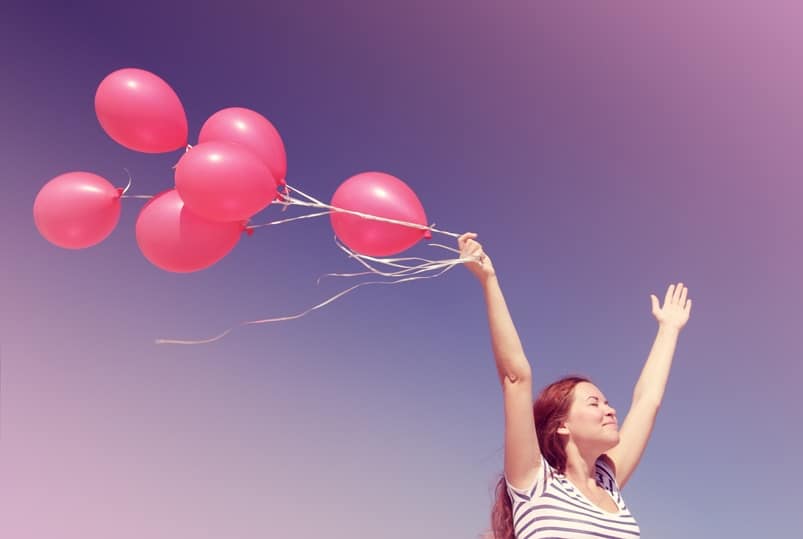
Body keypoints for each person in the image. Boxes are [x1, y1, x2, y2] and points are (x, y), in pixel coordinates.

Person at [458, 233, 692, 539]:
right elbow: (515, 377)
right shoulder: (534, 481)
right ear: (562, 426)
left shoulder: (608, 482)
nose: (609, 410)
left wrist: (669, 329)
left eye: (606, 403)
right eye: (594, 403)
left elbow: (647, 401)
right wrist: (488, 280)